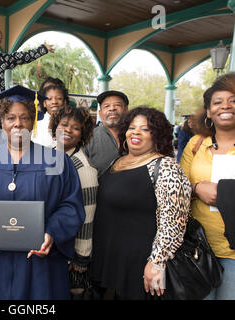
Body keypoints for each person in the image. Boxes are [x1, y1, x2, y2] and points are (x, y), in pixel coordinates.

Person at [0, 85, 85, 299]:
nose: (18, 123)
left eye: (25, 118)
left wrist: (52, 233)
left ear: (34, 122)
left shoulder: (58, 162)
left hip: (40, 263)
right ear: (2, 123)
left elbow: (71, 205)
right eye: (10, 118)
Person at [91, 106, 191, 299]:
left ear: (158, 135)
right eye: (132, 127)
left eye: (145, 129)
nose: (136, 132)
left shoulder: (166, 167)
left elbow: (174, 224)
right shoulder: (117, 162)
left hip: (142, 265)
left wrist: (156, 262)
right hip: (112, 258)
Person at [180, 73, 235, 300]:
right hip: (199, 247)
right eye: (218, 102)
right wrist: (197, 188)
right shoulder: (196, 144)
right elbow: (179, 185)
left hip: (232, 252)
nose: (226, 106)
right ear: (209, 111)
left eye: (233, 100)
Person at [50, 105, 98, 300]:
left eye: (76, 127)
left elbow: (87, 215)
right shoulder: (50, 155)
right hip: (51, 242)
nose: (68, 130)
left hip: (69, 250)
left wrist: (81, 258)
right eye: (64, 124)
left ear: (83, 134)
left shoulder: (82, 167)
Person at [83, 90, 129, 178]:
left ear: (126, 110)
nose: (112, 108)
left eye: (117, 105)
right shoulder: (88, 138)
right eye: (107, 106)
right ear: (100, 113)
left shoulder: (136, 135)